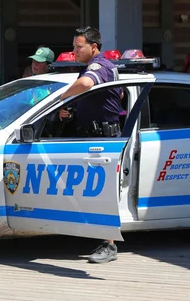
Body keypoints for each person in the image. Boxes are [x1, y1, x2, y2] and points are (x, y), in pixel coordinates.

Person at [58, 26, 121, 264]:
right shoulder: (96, 67)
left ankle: (109, 245)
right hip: (93, 136)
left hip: (102, 140)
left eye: (78, 46)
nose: (74, 50)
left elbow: (85, 85)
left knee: (102, 193)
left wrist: (62, 97)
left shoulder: (99, 66)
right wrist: (70, 111)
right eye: (73, 46)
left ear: (94, 47)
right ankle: (100, 237)